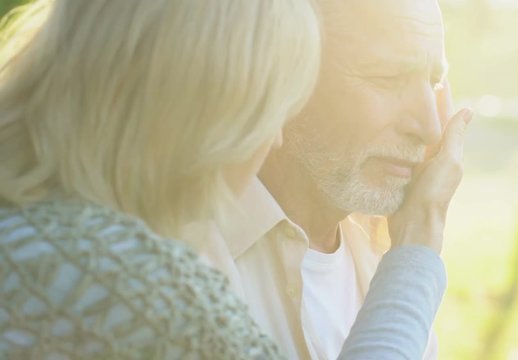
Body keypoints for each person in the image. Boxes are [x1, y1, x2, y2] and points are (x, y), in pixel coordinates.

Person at [0, 0, 470, 359]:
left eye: (433, 82)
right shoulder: (141, 279)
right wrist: (416, 257)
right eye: (386, 78)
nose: (275, 131)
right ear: (196, 103)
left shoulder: (372, 248)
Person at [193, 0, 473, 359]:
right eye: (388, 79)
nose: (428, 127)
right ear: (285, 81)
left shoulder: (383, 260)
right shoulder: (182, 258)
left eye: (433, 83)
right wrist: (416, 249)